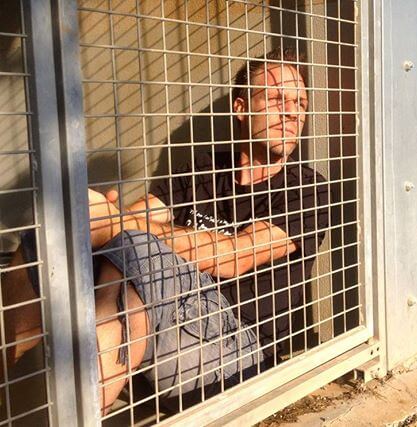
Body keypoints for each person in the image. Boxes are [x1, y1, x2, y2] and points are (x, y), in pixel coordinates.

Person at [3, 47, 329, 414]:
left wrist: (116, 222)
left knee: (133, 243)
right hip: (161, 322)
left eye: (300, 103)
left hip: (238, 349)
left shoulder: (308, 188)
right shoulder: (204, 167)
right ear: (241, 109)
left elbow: (234, 256)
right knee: (55, 234)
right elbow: (134, 216)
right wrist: (101, 217)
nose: (291, 113)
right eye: (276, 98)